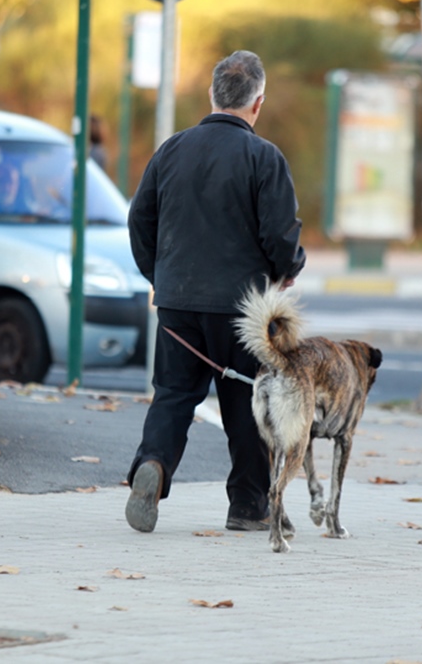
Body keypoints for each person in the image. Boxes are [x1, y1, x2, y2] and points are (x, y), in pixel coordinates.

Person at [125, 50, 306, 533]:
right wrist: (288, 270)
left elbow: (140, 220)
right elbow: (281, 238)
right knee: (246, 407)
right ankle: (248, 506)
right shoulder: (264, 158)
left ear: (212, 95)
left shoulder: (171, 151)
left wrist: (159, 276)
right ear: (258, 103)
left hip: (178, 306)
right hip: (243, 311)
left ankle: (154, 464)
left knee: (173, 396)